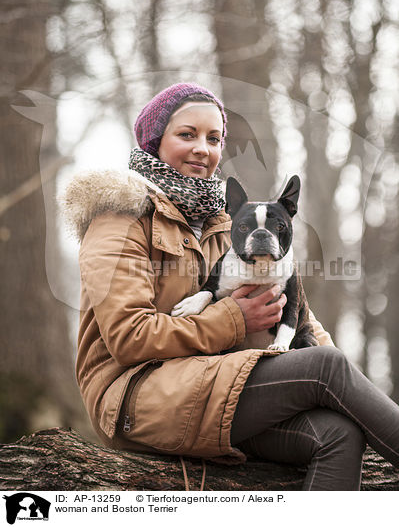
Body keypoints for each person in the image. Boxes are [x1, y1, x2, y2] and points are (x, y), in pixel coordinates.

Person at [63, 82, 399, 491]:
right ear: (155, 141)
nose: (202, 148)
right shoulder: (121, 218)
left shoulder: (233, 225)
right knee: (326, 367)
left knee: (338, 433)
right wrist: (232, 319)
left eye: (214, 138)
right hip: (139, 397)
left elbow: (302, 320)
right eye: (187, 135)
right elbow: (129, 337)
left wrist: (343, 390)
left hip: (223, 385)